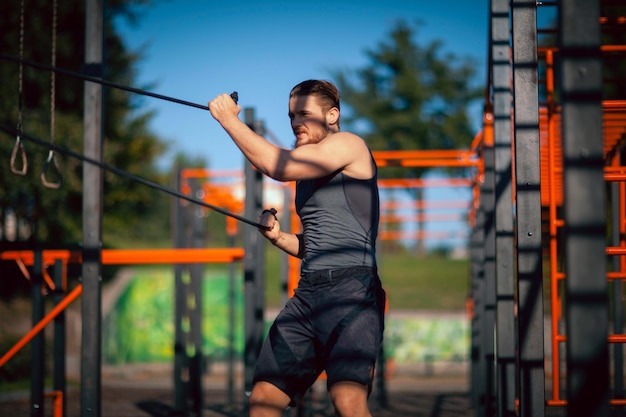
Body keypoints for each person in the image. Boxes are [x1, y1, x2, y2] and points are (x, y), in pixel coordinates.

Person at [209, 79, 385, 417]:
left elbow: (278, 166)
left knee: (347, 400)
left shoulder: (349, 145)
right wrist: (278, 236)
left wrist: (229, 120)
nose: (294, 123)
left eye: (304, 114)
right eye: (291, 115)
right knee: (263, 399)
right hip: (308, 294)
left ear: (332, 115)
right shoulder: (307, 174)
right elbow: (317, 244)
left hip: (353, 290)